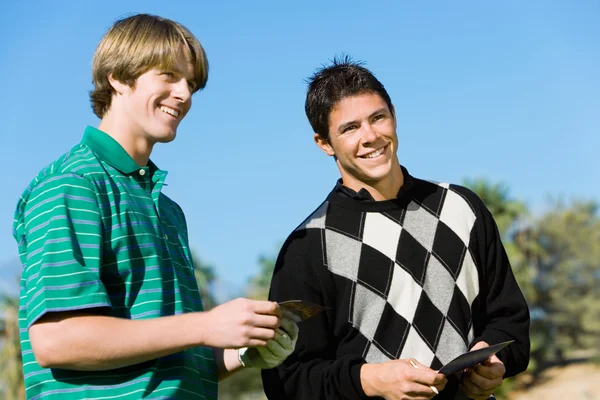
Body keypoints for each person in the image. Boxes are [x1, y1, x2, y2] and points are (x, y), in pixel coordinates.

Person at [13, 14, 297, 400]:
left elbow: (168, 358)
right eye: (168, 75)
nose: (185, 94)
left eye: (192, 83)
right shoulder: (72, 184)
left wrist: (242, 352)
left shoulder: (168, 211)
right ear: (117, 76)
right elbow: (57, 340)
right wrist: (205, 325)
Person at [261, 57, 530, 400]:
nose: (371, 136)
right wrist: (368, 381)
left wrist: (495, 359)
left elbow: (511, 323)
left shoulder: (462, 208)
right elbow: (287, 380)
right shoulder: (308, 246)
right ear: (324, 143)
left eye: (378, 118)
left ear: (394, 116)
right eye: (350, 128)